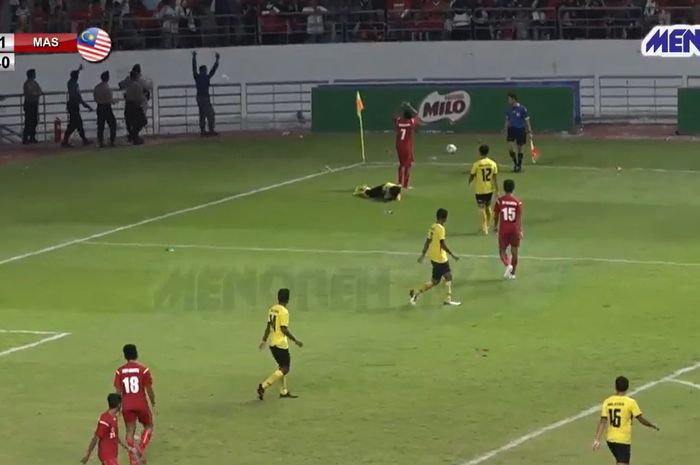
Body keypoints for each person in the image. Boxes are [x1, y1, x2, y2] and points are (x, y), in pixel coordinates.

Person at [592, 376, 660, 465]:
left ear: (615, 386)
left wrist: (597, 439)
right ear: (627, 387)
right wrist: (652, 425)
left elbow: (603, 421)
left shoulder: (607, 401)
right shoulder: (630, 402)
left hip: (610, 439)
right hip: (622, 440)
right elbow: (641, 419)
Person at [257, 288, 304, 400]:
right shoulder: (284, 311)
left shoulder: (272, 309)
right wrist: (295, 340)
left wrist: (264, 340)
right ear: (287, 299)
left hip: (273, 344)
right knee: (285, 368)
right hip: (281, 344)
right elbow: (284, 329)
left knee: (281, 367)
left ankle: (283, 391)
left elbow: (268, 327)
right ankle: (263, 386)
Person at [409, 208, 461, 306]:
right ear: (444, 218)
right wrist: (452, 254)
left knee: (435, 281)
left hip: (433, 258)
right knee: (448, 276)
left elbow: (427, 241)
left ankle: (416, 293)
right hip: (441, 258)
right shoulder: (441, 229)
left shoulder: (432, 227)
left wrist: (423, 254)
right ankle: (448, 299)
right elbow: (442, 244)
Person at [114, 344, 155, 465]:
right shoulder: (143, 370)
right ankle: (141, 447)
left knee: (130, 431)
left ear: (125, 355)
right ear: (136, 353)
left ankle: (133, 458)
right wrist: (153, 401)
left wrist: (118, 407)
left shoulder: (119, 371)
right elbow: (149, 389)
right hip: (141, 403)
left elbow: (118, 392)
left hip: (127, 405)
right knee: (149, 426)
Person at [80, 393, 135, 465]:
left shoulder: (114, 417)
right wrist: (88, 455)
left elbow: (116, 437)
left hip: (112, 455)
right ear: (119, 405)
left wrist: (127, 448)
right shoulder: (104, 420)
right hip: (106, 455)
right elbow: (95, 438)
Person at [493, 179, 523, 279]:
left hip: (504, 229)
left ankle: (508, 265)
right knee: (515, 252)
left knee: (502, 251)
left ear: (504, 188)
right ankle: (513, 273)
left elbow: (496, 215)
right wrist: (520, 230)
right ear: (513, 189)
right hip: (514, 229)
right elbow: (518, 218)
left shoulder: (499, 201)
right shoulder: (517, 202)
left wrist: (495, 226)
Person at [468, 144, 499, 235]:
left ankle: (484, 227)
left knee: (481, 208)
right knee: (488, 207)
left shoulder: (477, 164)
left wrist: (469, 183)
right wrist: (497, 190)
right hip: (489, 189)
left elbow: (472, 175)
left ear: (479, 152)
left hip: (480, 190)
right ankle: (488, 225)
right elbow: (495, 178)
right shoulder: (493, 163)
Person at [62, 64, 92, 148]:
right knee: (76, 124)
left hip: (72, 105)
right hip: (74, 106)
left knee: (75, 124)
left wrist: (78, 69)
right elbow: (78, 97)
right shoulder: (74, 84)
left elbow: (74, 75)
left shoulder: (71, 83)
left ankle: (81, 139)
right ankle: (82, 140)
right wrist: (86, 105)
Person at [191, 50, 220, 136]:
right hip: (205, 97)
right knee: (210, 114)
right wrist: (217, 60)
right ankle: (211, 129)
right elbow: (213, 70)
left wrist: (194, 57)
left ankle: (203, 130)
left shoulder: (197, 77)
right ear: (204, 70)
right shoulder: (207, 77)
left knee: (202, 114)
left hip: (199, 97)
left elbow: (194, 68)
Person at [504, 92, 533, 172]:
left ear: (514, 99)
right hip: (511, 129)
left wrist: (529, 132)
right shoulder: (509, 109)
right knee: (510, 147)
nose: (508, 101)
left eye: (509, 99)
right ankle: (515, 163)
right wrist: (505, 129)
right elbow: (507, 120)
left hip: (520, 130)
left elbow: (527, 120)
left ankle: (519, 165)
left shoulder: (522, 108)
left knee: (520, 149)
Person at [394, 102, 420, 189]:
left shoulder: (399, 121)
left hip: (398, 145)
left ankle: (399, 183)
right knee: (408, 165)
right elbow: (417, 115)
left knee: (401, 164)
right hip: (406, 146)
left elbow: (395, 115)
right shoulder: (411, 123)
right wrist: (410, 107)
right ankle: (405, 185)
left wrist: (400, 107)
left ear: (403, 116)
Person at [120, 70, 147, 145]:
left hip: (128, 104)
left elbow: (125, 94)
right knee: (142, 121)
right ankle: (133, 136)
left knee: (129, 121)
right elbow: (139, 97)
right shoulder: (138, 86)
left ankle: (133, 136)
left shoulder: (128, 85)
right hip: (135, 105)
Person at [93, 71, 117, 148]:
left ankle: (100, 141)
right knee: (112, 124)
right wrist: (114, 101)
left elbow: (95, 98)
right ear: (108, 78)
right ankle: (111, 141)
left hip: (99, 107)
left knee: (100, 125)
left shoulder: (97, 87)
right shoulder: (107, 88)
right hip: (107, 107)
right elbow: (110, 100)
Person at [22, 69, 42, 144]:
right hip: (29, 104)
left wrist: (36, 93)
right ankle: (25, 138)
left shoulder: (35, 83)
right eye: (34, 73)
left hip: (34, 104)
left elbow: (39, 91)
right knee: (28, 122)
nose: (35, 75)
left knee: (34, 121)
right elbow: (31, 93)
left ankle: (32, 137)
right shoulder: (27, 84)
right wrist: (36, 93)